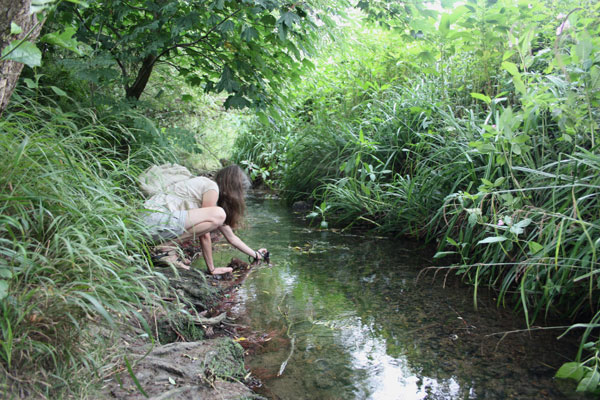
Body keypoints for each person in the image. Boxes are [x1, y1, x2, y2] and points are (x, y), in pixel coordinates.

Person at [142, 164, 267, 275]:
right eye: (241, 192)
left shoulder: (213, 196)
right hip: (153, 221)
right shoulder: (211, 187)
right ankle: (165, 249)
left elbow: (232, 238)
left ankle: (166, 249)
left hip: (149, 226)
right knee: (219, 214)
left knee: (219, 214)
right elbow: (205, 235)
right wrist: (212, 269)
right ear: (234, 189)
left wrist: (256, 255)